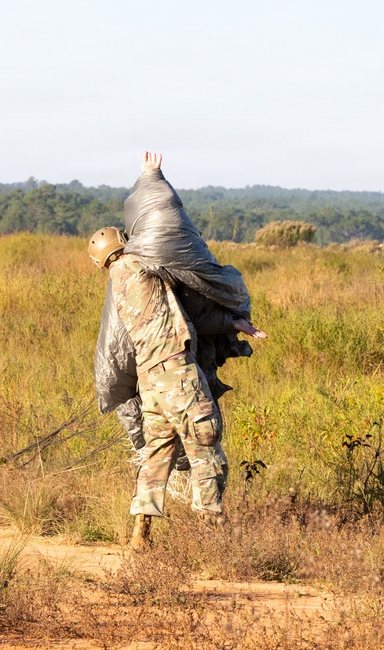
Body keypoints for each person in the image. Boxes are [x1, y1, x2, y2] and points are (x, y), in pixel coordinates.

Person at [89, 219, 265, 549]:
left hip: (150, 382)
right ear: (124, 245)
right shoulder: (141, 265)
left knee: (156, 455)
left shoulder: (118, 285)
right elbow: (176, 254)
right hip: (176, 374)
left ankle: (141, 532)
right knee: (205, 442)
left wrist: (232, 323)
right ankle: (212, 530)